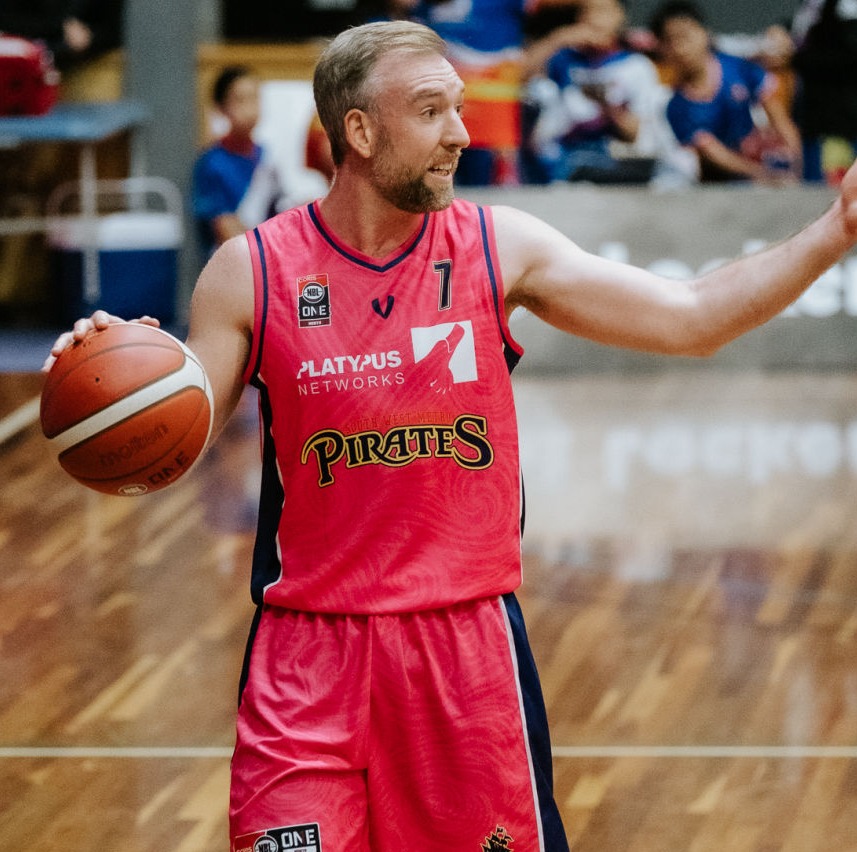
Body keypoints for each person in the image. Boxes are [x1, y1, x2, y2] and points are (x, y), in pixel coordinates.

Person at [44, 19, 857, 851]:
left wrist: (833, 230)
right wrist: (120, 383)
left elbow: (691, 319)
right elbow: (181, 428)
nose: (461, 134)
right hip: (306, 662)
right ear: (358, 130)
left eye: (458, 109)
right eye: (432, 111)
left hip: (464, 662)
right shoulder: (252, 271)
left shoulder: (499, 247)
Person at [522, 0, 695, 185]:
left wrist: (606, 105)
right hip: (559, 162)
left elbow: (635, 134)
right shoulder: (563, 58)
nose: (592, 19)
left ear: (620, 16)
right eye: (585, 12)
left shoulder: (636, 66)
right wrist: (557, 39)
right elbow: (518, 76)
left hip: (612, 162)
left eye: (601, 11)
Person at [649, 0, 802, 184]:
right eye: (670, 41)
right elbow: (712, 152)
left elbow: (780, 120)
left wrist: (796, 167)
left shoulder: (740, 69)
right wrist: (762, 175)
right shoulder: (675, 108)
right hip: (724, 184)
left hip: (768, 166)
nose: (680, 48)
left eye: (685, 36)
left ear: (705, 33)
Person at [192, 65, 289, 259]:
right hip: (231, 264)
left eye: (255, 98)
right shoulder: (212, 163)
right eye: (240, 100)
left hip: (270, 256)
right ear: (221, 107)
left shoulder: (267, 157)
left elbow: (282, 210)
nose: (250, 108)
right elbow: (225, 229)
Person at [790, 0, 857, 184]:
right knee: (816, 188)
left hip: (842, 120)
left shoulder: (846, 29)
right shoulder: (810, 27)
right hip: (820, 124)